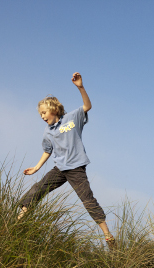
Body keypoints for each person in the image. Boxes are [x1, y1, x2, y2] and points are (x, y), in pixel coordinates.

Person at [18, 72, 115, 250]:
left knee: (87, 199)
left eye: (44, 112)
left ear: (54, 109)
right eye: (40, 114)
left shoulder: (72, 118)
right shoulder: (47, 132)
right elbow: (47, 151)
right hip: (60, 169)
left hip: (76, 168)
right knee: (38, 189)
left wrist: (80, 87)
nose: (42, 116)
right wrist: (37, 168)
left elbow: (87, 106)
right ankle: (18, 221)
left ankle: (107, 235)